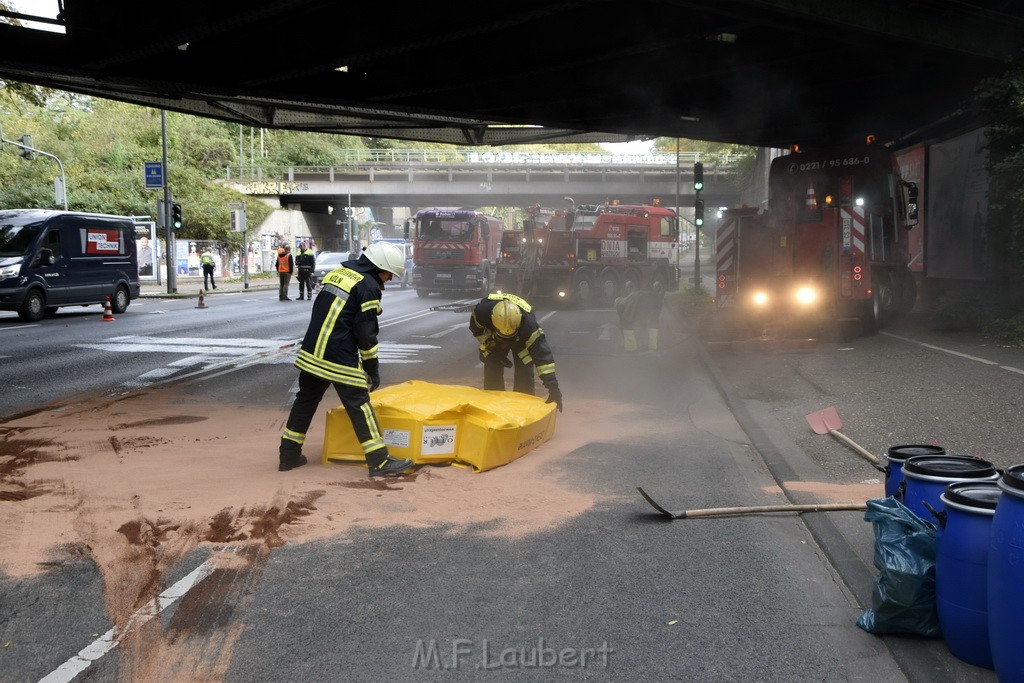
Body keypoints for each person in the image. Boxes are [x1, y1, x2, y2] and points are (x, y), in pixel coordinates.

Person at [278, 241, 414, 477]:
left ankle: (288, 455)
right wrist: (372, 367)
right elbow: (366, 332)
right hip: (339, 355)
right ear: (378, 267)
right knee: (360, 405)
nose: (389, 279)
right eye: (389, 273)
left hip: (312, 351)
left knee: (305, 401)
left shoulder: (336, 274)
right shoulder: (368, 286)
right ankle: (379, 461)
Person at [468, 292, 563, 412]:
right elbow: (477, 331)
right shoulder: (481, 313)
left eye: (509, 338)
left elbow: (543, 360)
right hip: (494, 337)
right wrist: (490, 344)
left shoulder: (529, 326)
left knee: (525, 365)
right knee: (491, 363)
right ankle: (493, 405)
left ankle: (523, 407)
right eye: (504, 338)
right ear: (492, 320)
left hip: (520, 339)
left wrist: (553, 389)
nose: (507, 341)